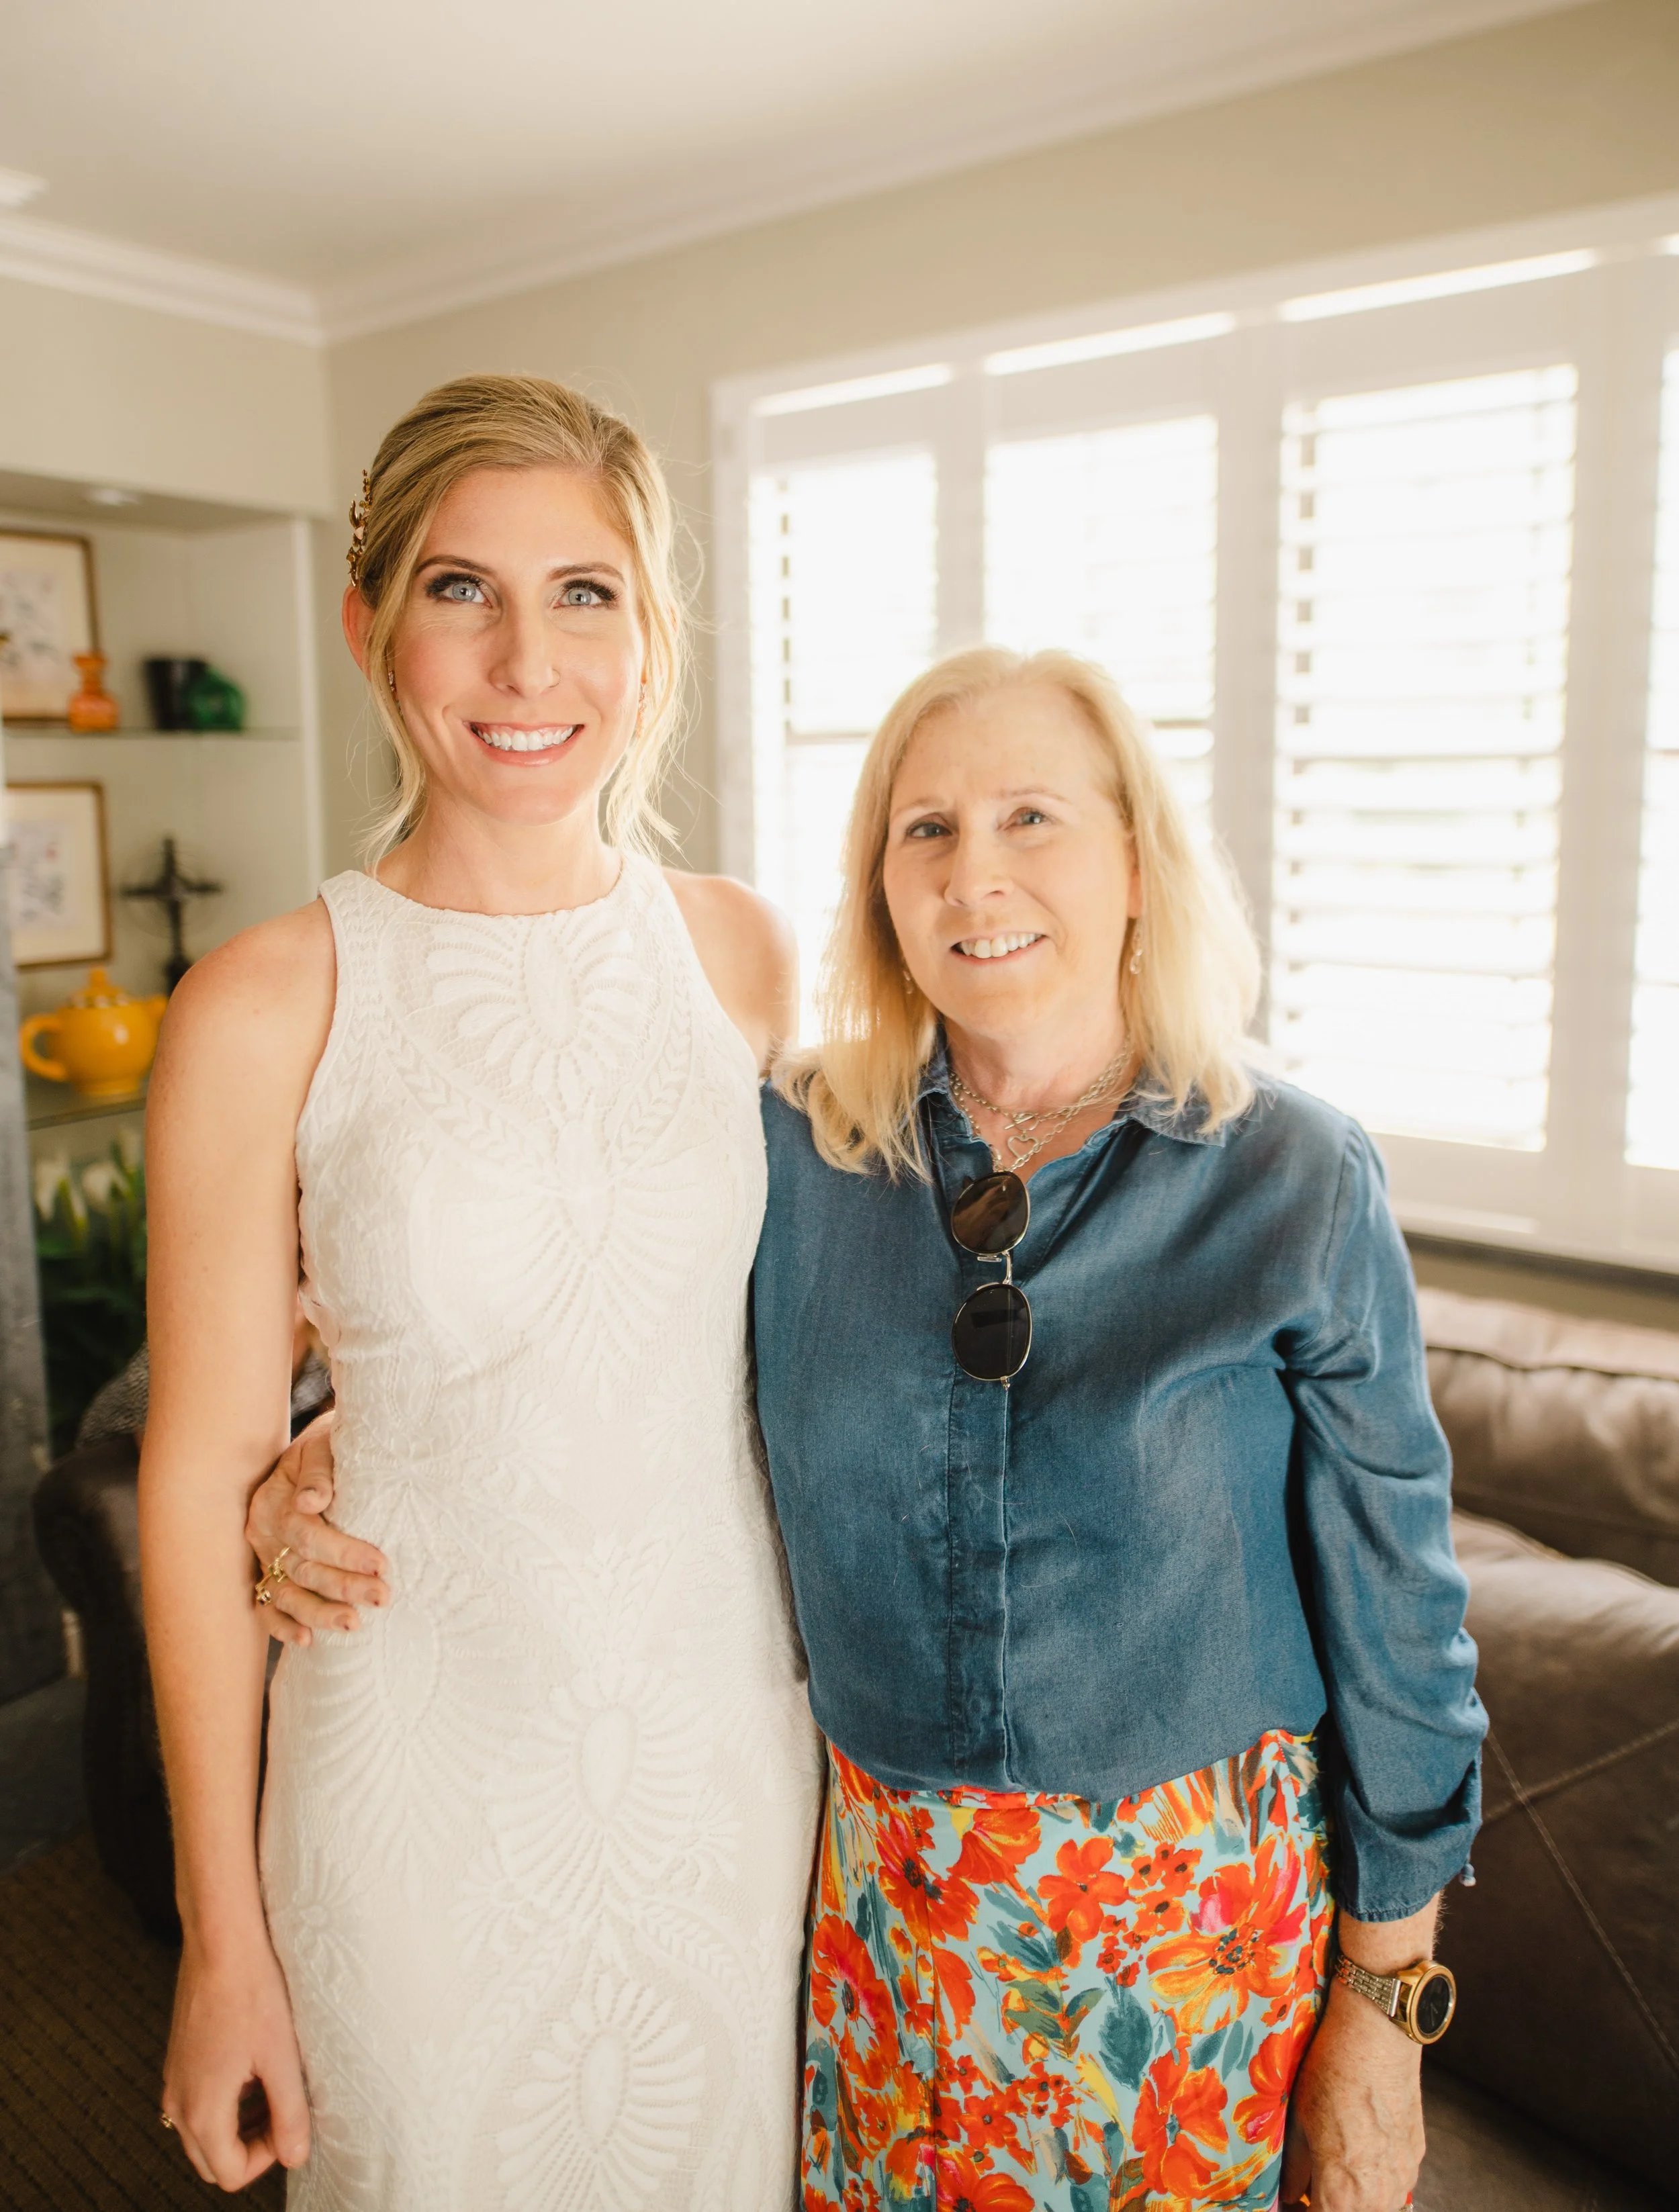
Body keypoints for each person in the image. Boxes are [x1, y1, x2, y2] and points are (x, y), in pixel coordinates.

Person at [254, 645, 1485, 2212]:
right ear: (882, 889)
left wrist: (1382, 2009)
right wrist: (331, 1453)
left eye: (1030, 817)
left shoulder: (1290, 1175)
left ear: (1132, 864)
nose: (973, 875)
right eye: (925, 831)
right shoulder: (795, 1146)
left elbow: (1400, 1617)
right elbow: (588, 1343)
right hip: (876, 1915)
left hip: (1189, 1936)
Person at [138, 373, 822, 2208]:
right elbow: (198, 1474)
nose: (527, 661)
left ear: (648, 635)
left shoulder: (744, 956)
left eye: (583, 592)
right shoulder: (263, 1001)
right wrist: (221, 1941)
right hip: (409, 1784)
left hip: (719, 1772)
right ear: (368, 625)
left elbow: (803, 1354)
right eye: (462, 590)